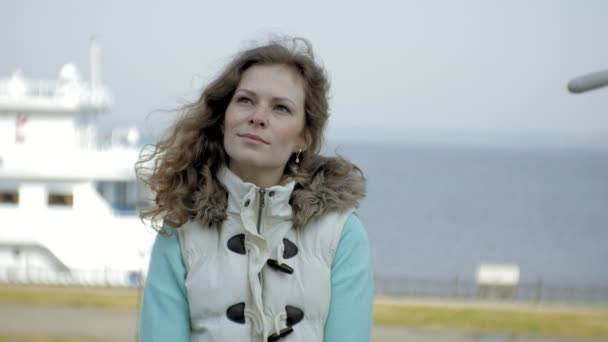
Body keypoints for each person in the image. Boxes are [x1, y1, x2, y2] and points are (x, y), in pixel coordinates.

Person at [137, 37, 373, 342]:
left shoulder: (342, 233)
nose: (258, 117)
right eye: (246, 100)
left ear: (305, 138)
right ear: (223, 118)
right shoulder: (181, 227)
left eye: (281, 108)